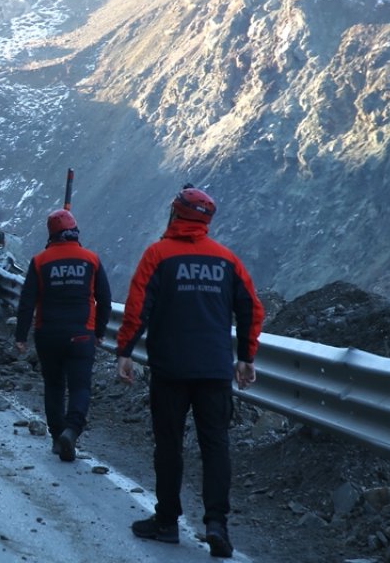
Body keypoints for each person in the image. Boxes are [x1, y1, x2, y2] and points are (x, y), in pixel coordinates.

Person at [114, 185, 264, 559]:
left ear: (176, 214)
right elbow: (252, 308)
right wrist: (246, 356)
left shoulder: (158, 255)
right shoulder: (227, 260)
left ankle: (166, 521)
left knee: (169, 444)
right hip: (214, 370)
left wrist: (125, 352)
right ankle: (217, 525)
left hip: (171, 368)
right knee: (216, 446)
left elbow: (137, 308)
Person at [14, 209, 112, 462]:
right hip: (82, 335)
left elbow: (27, 302)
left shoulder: (40, 261)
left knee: (54, 385)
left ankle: (58, 436)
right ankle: (72, 429)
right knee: (80, 386)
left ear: (51, 234)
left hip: (48, 335)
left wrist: (21, 336)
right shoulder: (91, 260)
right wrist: (99, 332)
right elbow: (105, 299)